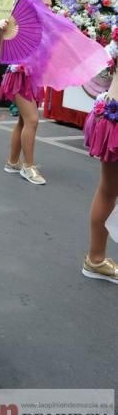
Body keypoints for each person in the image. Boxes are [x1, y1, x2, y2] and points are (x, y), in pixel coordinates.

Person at [0, 0, 52, 185]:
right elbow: (1, 50)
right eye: (45, 5)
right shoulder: (20, 26)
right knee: (32, 121)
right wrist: (2, 33)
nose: (49, 9)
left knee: (23, 121)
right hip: (20, 77)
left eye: (51, 6)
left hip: (34, 78)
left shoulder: (45, 27)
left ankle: (12, 162)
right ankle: (28, 167)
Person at [82, 33, 118, 284]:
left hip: (110, 111)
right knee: (108, 190)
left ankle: (95, 258)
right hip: (114, 116)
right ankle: (95, 260)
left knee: (108, 190)